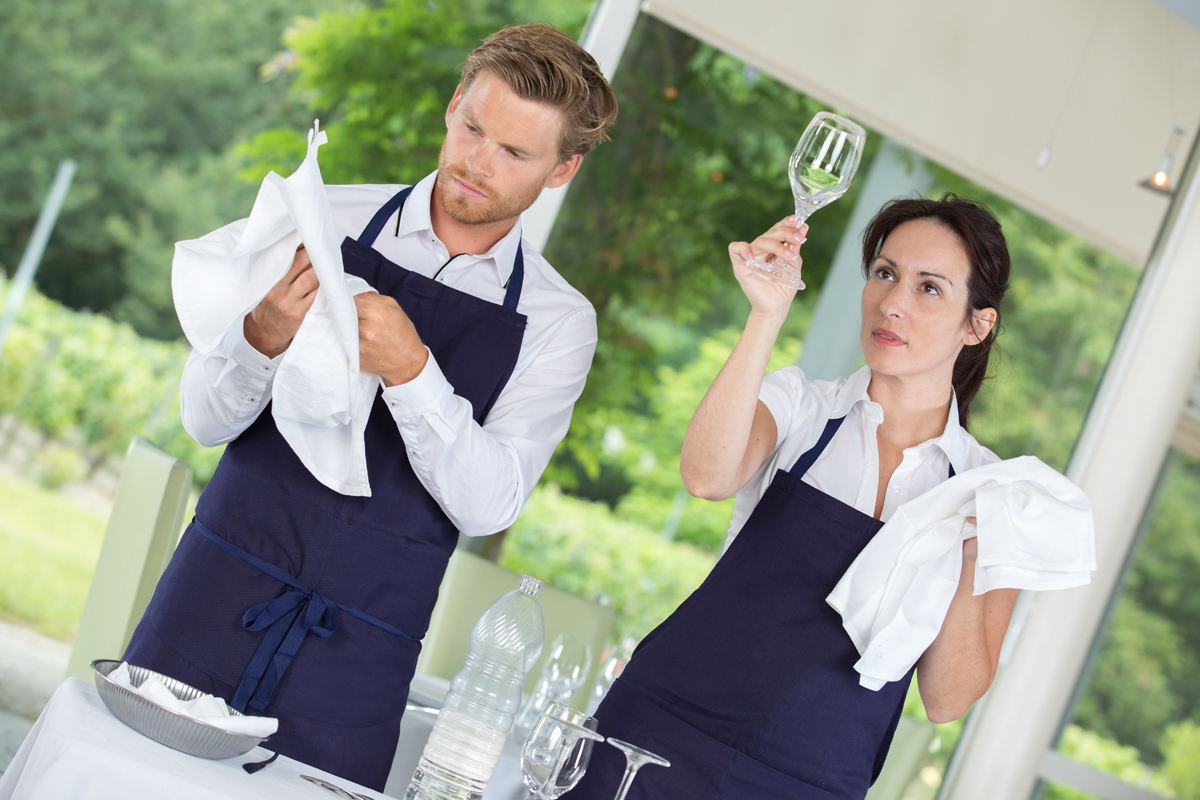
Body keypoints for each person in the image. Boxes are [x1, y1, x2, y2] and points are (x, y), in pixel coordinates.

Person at [124, 24, 617, 791]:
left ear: (562, 171)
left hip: (359, 660)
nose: (476, 162)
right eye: (472, 128)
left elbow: (489, 504)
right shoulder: (325, 218)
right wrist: (259, 338)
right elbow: (204, 420)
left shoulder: (559, 322)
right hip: (209, 599)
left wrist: (413, 373)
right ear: (454, 105)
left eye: (514, 153)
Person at [567, 196, 1019, 799]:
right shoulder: (803, 408)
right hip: (655, 737)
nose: (892, 304)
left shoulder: (988, 493)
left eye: (929, 288)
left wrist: (970, 555)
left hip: (812, 782)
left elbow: (947, 698)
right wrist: (765, 315)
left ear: (977, 323)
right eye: (885, 274)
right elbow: (706, 476)